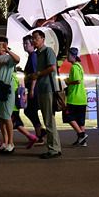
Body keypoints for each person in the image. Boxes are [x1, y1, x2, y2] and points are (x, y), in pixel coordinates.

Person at [31, 29, 62, 159]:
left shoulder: (47, 51)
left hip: (48, 88)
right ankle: (55, 147)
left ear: (43, 39)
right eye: (33, 38)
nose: (34, 41)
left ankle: (53, 149)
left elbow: (52, 67)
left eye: (36, 38)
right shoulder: (38, 53)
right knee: (48, 119)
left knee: (49, 119)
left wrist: (38, 74)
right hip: (43, 88)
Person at [21, 34, 46, 148]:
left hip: (34, 88)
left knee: (30, 111)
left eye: (26, 43)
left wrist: (31, 89)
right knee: (30, 111)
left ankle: (40, 135)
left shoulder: (33, 56)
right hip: (32, 87)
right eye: (24, 43)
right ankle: (40, 132)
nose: (24, 45)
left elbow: (35, 73)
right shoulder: (32, 56)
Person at [63, 46, 88, 146]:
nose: (67, 57)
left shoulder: (74, 67)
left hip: (74, 98)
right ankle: (83, 141)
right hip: (82, 98)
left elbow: (77, 81)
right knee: (80, 121)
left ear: (72, 56)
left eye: (68, 55)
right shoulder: (80, 66)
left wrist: (68, 81)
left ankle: (81, 135)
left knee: (68, 116)